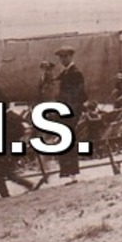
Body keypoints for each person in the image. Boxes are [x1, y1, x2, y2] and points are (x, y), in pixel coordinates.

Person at [54, 47, 87, 180]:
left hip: (71, 111)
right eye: (61, 57)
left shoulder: (75, 73)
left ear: (70, 57)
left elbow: (79, 94)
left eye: (65, 57)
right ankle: (68, 172)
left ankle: (72, 173)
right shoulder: (66, 73)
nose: (62, 60)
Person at [0, 106, 37, 197]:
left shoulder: (5, 118)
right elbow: (23, 129)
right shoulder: (13, 116)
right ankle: (28, 185)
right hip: (14, 147)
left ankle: (28, 185)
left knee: (1, 174)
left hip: (7, 150)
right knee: (3, 173)